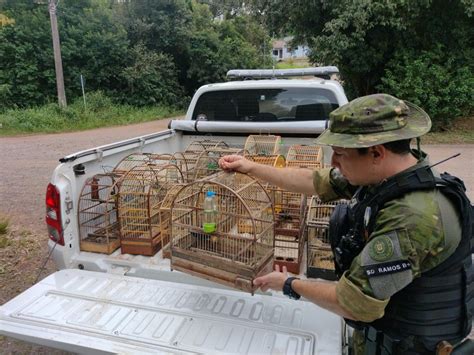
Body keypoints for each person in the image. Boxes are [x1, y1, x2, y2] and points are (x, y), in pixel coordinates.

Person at [218, 94, 473, 354]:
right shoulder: (384, 176)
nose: (333, 163)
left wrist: (287, 283)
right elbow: (312, 181)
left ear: (376, 152)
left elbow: (355, 304)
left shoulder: (412, 217)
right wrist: (250, 167)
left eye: (340, 154)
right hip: (380, 338)